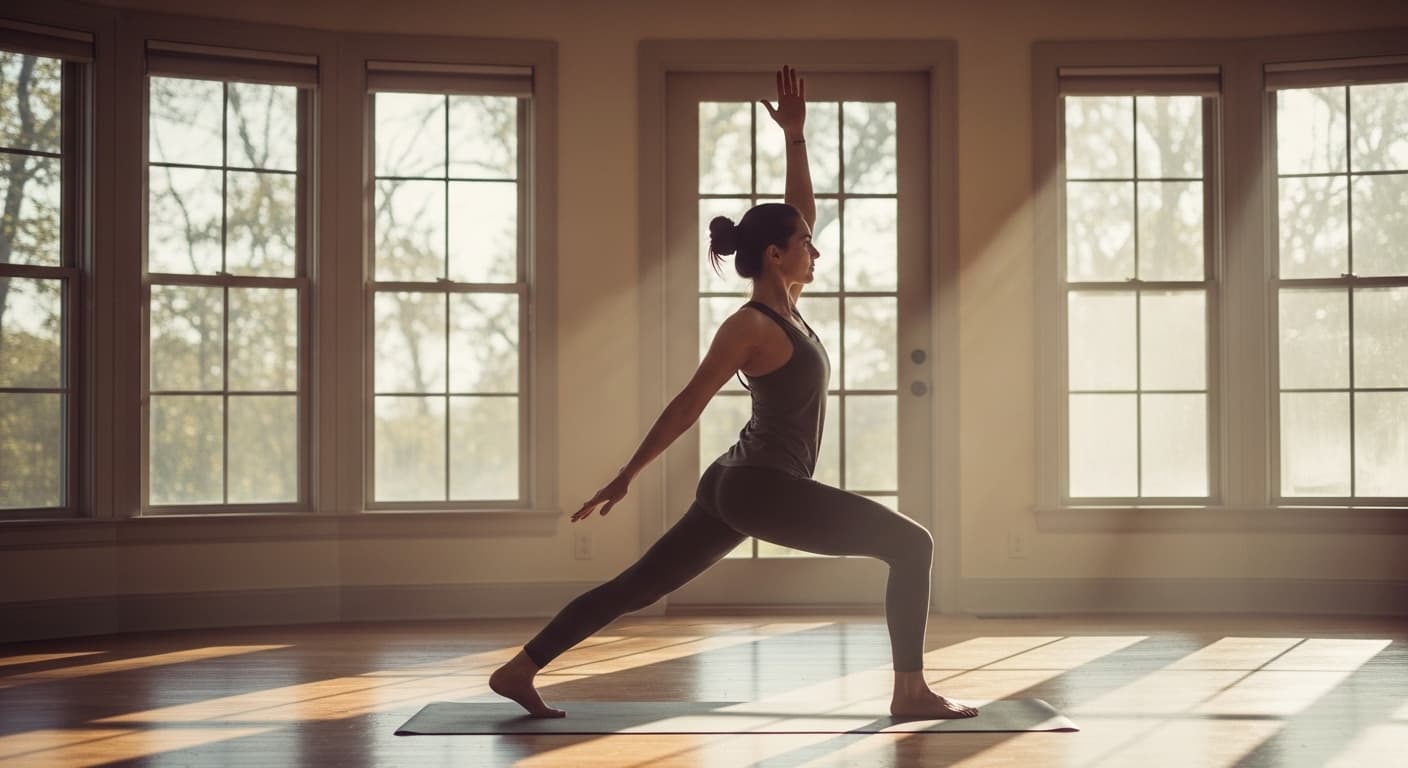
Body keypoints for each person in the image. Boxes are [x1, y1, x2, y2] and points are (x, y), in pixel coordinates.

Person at [489, 66, 977, 721]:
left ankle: (518, 669)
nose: (816, 249)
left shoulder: (789, 307)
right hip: (757, 487)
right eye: (805, 243)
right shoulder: (749, 326)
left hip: (736, 483)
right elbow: (688, 403)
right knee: (912, 545)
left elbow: (797, 209)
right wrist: (627, 474)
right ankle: (910, 691)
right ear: (776, 256)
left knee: (638, 585)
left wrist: (795, 140)